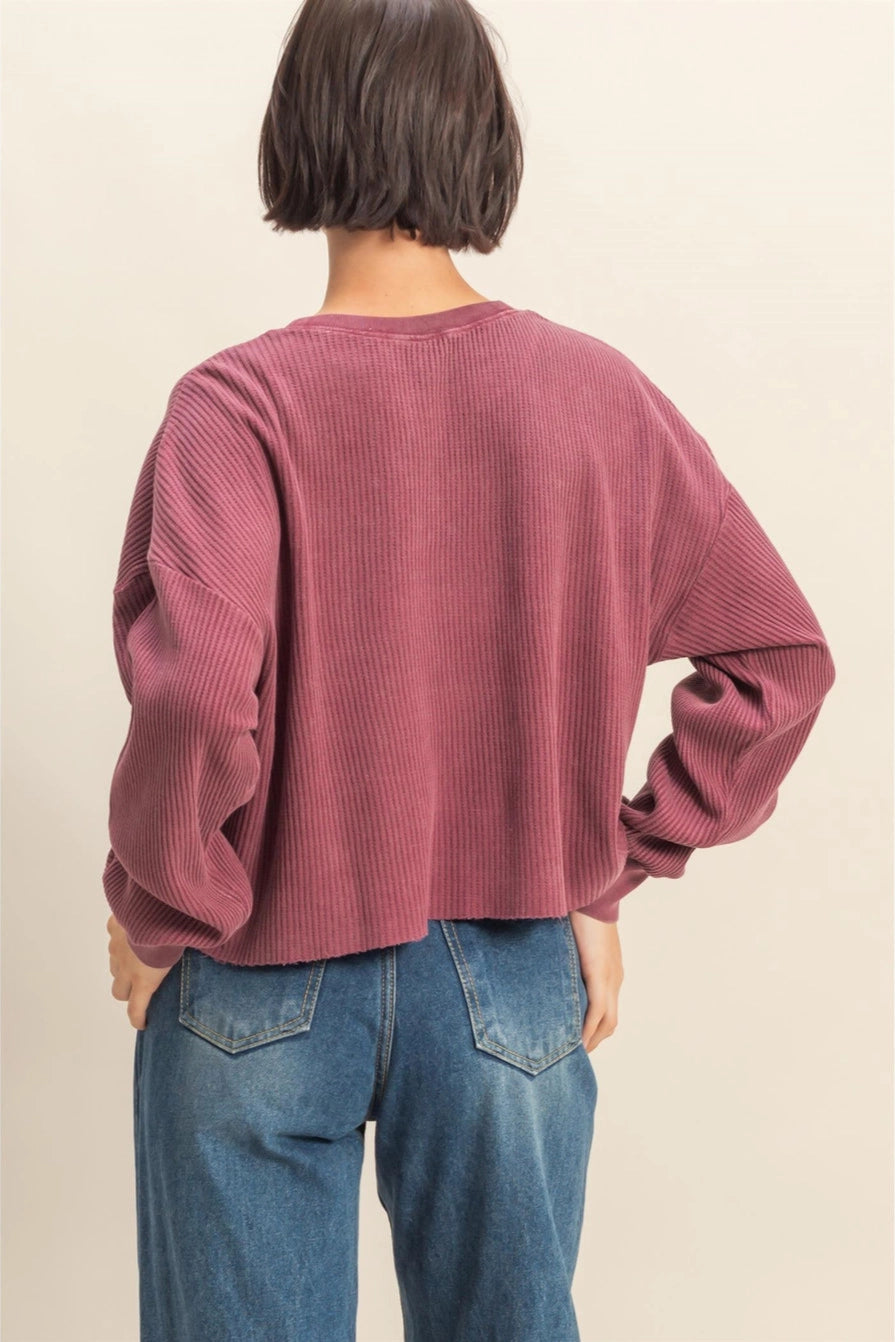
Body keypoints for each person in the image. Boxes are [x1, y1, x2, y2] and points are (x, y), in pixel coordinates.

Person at [102, 1, 836, 1339]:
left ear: (298, 129)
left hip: (256, 961)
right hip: (507, 969)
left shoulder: (235, 407)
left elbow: (201, 690)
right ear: (483, 144)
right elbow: (779, 654)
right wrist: (606, 867)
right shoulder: (596, 400)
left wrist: (164, 907)